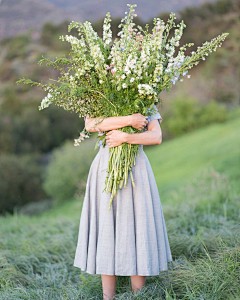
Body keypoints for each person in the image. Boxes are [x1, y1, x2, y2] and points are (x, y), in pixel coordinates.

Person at [73, 105, 173, 299]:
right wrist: (130, 120)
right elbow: (91, 123)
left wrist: (126, 137)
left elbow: (156, 136)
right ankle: (107, 297)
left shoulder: (145, 98)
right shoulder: (99, 94)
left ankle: (139, 295)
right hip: (105, 166)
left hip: (137, 166)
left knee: (139, 225)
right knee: (106, 228)